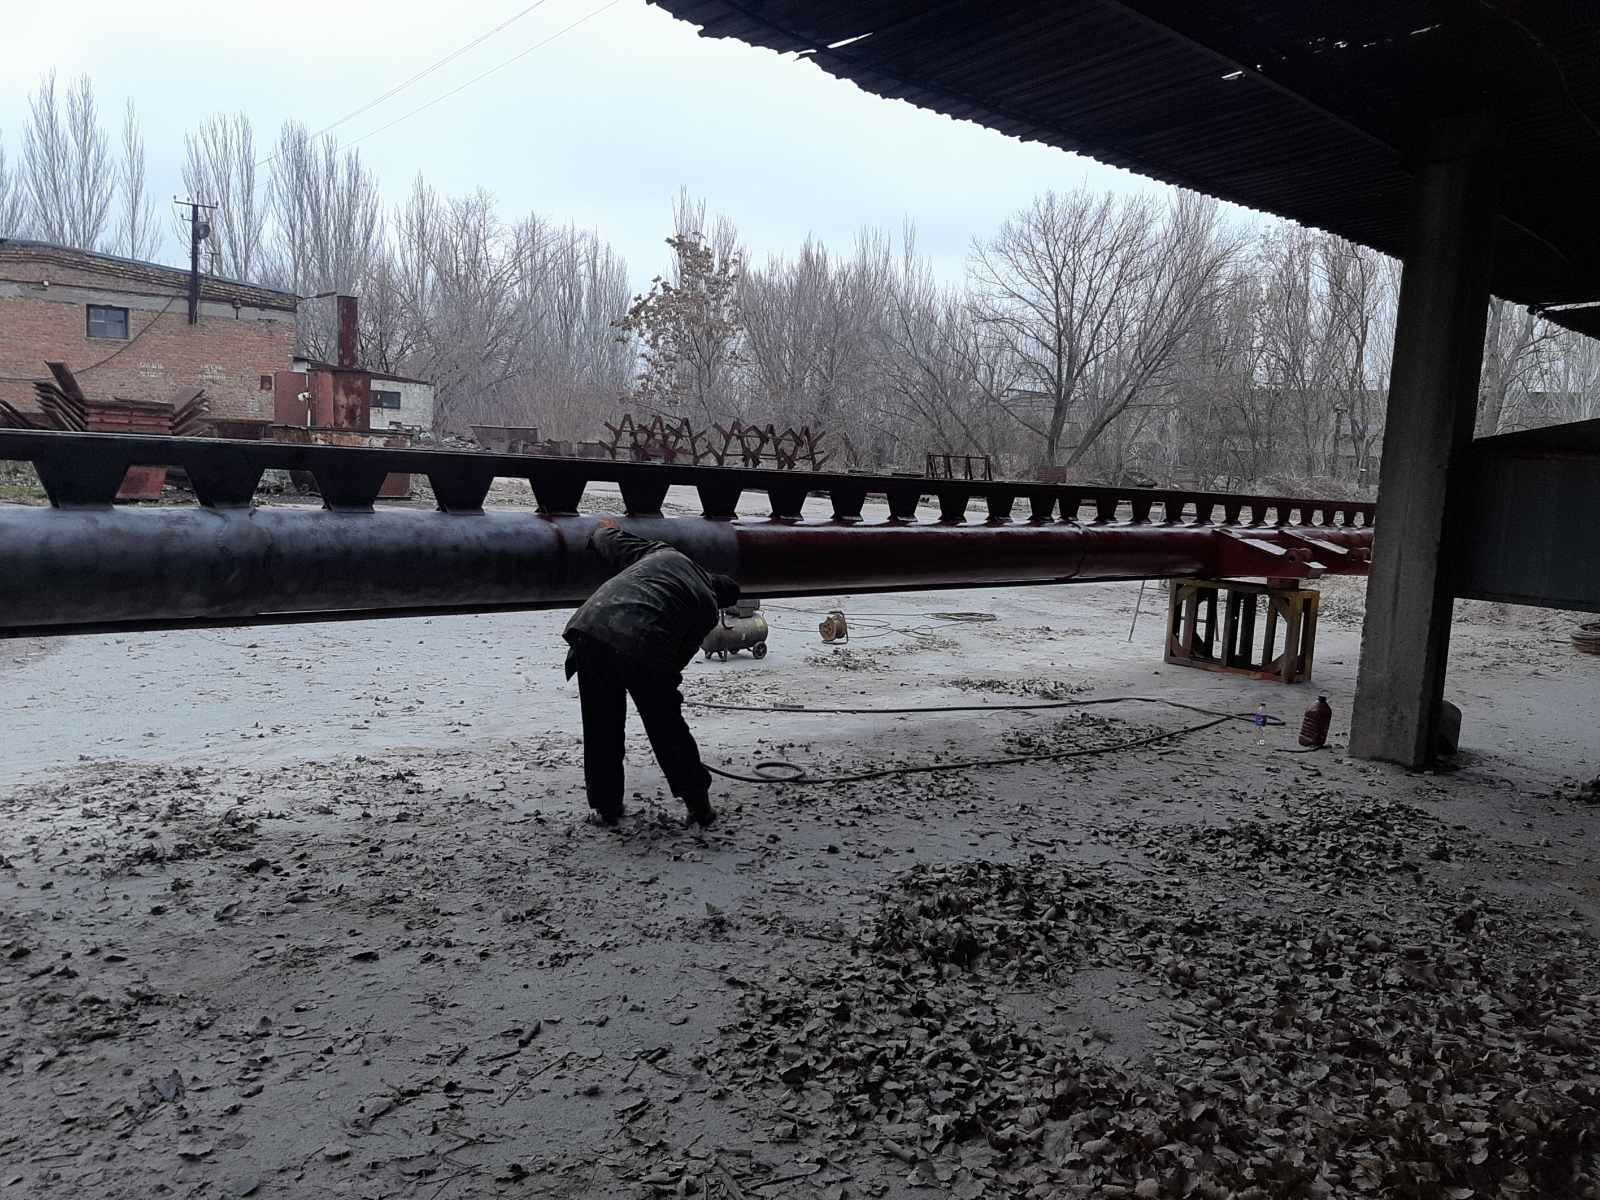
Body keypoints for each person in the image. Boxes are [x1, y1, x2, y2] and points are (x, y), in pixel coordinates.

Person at [563, 517, 740, 828]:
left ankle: (606, 808)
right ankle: (699, 806)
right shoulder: (708, 607)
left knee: (601, 726)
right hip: (641, 646)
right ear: (721, 599)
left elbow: (614, 543)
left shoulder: (668, 555)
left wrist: (603, 528)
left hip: (589, 630)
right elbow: (676, 659)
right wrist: (665, 695)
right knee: (667, 730)